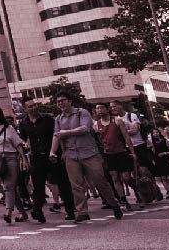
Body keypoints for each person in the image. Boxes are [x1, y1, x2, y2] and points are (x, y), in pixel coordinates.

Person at [49, 91, 124, 223]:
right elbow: (56, 136)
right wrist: (52, 152)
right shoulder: (59, 119)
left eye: (63, 100)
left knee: (100, 181)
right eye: (58, 101)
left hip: (89, 153)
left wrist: (66, 132)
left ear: (70, 101)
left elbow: (85, 128)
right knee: (76, 185)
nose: (61, 103)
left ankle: (114, 203)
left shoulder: (81, 113)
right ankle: (82, 212)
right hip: (71, 155)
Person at [18, 98, 72, 223]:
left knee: (62, 183)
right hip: (36, 158)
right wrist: (24, 146)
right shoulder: (24, 123)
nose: (33, 108)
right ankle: (38, 211)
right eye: (30, 106)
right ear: (25, 109)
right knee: (38, 186)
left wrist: (62, 152)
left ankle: (70, 210)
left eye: (34, 105)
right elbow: (23, 139)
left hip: (53, 156)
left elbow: (57, 136)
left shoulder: (48, 119)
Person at [93, 102, 137, 210]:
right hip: (108, 154)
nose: (99, 110)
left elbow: (126, 136)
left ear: (107, 109)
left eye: (101, 107)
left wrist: (132, 152)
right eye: (97, 108)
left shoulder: (117, 120)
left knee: (126, 177)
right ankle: (124, 201)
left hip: (121, 152)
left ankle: (137, 191)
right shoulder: (96, 125)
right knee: (115, 178)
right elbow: (97, 141)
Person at [147, 127, 169, 198]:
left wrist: (165, 153)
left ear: (159, 133)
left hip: (166, 161)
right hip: (158, 161)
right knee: (163, 178)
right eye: (153, 133)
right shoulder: (152, 143)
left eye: (156, 132)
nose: (155, 134)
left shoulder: (165, 141)